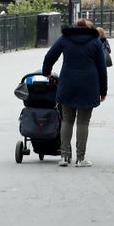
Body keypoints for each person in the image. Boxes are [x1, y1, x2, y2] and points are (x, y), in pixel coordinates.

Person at [42, 19, 107, 168]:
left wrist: (46, 72)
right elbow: (102, 68)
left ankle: (64, 157)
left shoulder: (65, 39)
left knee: (67, 120)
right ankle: (80, 158)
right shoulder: (95, 42)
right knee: (83, 122)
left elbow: (49, 56)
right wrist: (103, 90)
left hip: (68, 83)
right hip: (89, 85)